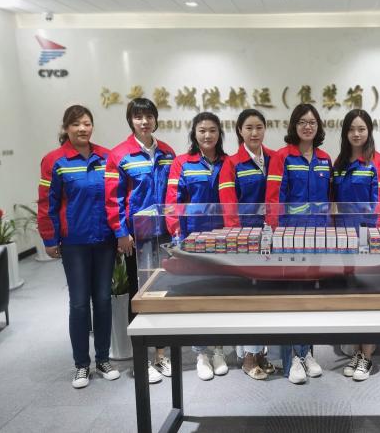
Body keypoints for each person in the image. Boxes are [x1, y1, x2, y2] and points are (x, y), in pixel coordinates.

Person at [37, 105, 120, 388]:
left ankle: (104, 358)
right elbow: (46, 203)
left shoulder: (106, 157)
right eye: (76, 124)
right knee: (80, 303)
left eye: (86, 123)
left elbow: (115, 199)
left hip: (105, 240)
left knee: (104, 300)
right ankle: (81, 364)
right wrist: (49, 238)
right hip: (74, 243)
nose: (82, 129)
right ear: (66, 128)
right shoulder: (54, 161)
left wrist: (119, 232)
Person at [105, 97, 175, 384]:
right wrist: (121, 232)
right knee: (139, 295)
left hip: (163, 234)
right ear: (131, 121)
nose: (144, 121)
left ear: (156, 119)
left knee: (164, 291)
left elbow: (173, 194)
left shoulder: (168, 152)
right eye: (138, 117)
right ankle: (140, 359)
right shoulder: (119, 155)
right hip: (137, 237)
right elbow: (113, 199)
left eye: (148, 116)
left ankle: (161, 354)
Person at [265, 103, 329, 384]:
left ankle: (307, 352)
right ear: (294, 125)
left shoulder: (325, 159)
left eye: (312, 122)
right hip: (290, 236)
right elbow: (273, 198)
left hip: (317, 236)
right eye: (302, 122)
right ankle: (291, 357)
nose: (307, 126)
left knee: (311, 296)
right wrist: (274, 233)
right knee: (291, 296)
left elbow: (329, 200)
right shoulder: (282, 157)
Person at [165, 112, 230, 382]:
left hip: (223, 237)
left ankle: (219, 349)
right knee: (197, 294)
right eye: (202, 130)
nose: (207, 135)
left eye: (212, 130)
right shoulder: (182, 163)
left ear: (219, 134)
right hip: (192, 237)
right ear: (194, 133)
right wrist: (176, 232)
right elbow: (172, 201)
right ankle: (201, 352)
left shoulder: (228, 162)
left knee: (221, 293)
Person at [332, 109, 380, 381]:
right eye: (351, 129)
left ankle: (367, 355)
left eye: (361, 129)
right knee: (351, 294)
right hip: (343, 238)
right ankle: (357, 351)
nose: (356, 134)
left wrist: (377, 240)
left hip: (368, 237)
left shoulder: (379, 163)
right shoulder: (339, 163)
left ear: (369, 131)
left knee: (369, 295)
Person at [218, 108, 276, 380]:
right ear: (240, 131)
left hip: (271, 236)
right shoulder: (232, 163)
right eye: (249, 128)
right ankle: (248, 356)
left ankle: (261, 352)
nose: (254, 133)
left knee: (267, 295)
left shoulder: (274, 158)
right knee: (249, 296)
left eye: (259, 127)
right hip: (246, 238)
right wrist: (237, 238)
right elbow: (229, 205)